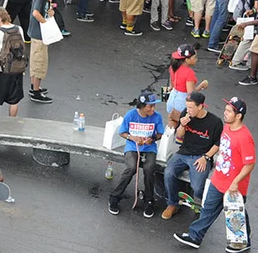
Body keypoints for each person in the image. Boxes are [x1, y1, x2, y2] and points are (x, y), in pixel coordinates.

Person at [174, 97, 254, 250]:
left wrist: (235, 182)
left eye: (229, 111)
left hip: (233, 185)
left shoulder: (245, 138)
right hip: (218, 179)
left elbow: (249, 164)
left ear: (238, 116)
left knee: (235, 213)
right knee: (208, 210)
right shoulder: (227, 128)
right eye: (225, 109)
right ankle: (195, 237)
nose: (225, 113)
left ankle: (241, 243)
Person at [162, 92, 223, 220]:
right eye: (187, 107)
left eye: (191, 107)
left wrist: (206, 157)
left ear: (200, 106)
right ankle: (172, 203)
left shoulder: (215, 122)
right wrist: (183, 125)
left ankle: (203, 203)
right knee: (168, 172)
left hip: (201, 156)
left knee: (197, 187)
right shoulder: (186, 114)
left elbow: (218, 144)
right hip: (184, 152)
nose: (188, 110)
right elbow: (179, 135)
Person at [108, 90, 165, 217]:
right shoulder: (131, 115)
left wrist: (152, 138)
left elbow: (160, 133)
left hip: (149, 148)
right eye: (150, 106)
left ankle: (149, 200)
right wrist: (133, 138)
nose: (153, 109)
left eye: (154, 105)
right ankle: (115, 196)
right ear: (142, 107)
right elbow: (122, 132)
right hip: (132, 147)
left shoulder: (157, 117)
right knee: (131, 167)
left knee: (149, 169)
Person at [0, 7, 25, 117]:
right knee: (14, 99)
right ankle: (12, 120)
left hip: (2, 69)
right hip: (17, 67)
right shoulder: (19, 29)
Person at [28, 0, 61, 103]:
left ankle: (33, 87)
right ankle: (36, 92)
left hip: (36, 34)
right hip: (39, 36)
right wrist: (46, 23)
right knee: (40, 63)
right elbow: (36, 13)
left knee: (34, 60)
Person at [166, 44, 209, 127]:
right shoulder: (189, 73)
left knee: (171, 128)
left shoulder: (173, 67)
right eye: (194, 57)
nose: (196, 59)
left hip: (172, 100)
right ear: (187, 59)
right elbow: (191, 94)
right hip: (181, 103)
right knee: (185, 128)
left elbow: (172, 84)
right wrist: (202, 85)